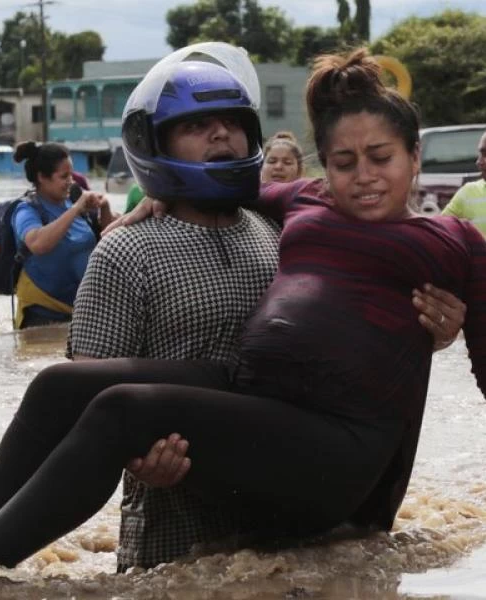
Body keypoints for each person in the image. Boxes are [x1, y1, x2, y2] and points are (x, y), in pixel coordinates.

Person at [0, 47, 486, 569]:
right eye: (344, 161)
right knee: (58, 383)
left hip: (337, 439)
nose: (365, 176)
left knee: (121, 408)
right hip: (255, 394)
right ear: (323, 168)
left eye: (382, 158)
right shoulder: (301, 204)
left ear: (416, 158)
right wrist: (149, 198)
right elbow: (213, 178)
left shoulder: (453, 242)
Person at [70, 42, 465, 571]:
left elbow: (358, 345)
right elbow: (87, 397)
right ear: (154, 144)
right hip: (175, 527)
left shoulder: (284, 233)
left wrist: (436, 327)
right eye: (197, 125)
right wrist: (138, 460)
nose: (220, 135)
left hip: (295, 520)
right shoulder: (124, 251)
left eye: (232, 123)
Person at [10, 142, 115, 329]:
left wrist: (104, 207)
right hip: (42, 313)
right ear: (42, 177)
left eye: (72, 175)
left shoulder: (74, 203)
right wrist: (76, 209)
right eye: (64, 176)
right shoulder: (26, 210)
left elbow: (110, 241)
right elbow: (38, 244)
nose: (71, 182)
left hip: (82, 311)